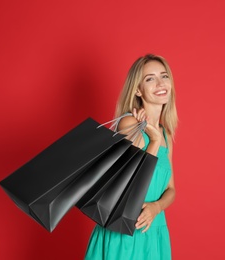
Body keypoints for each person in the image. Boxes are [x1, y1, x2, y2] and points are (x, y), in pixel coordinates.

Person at [85, 54, 178, 260]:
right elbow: (132, 184)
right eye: (150, 78)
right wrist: (152, 142)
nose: (160, 83)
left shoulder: (166, 135)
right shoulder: (128, 125)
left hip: (154, 229)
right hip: (125, 228)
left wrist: (156, 207)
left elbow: (171, 189)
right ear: (137, 90)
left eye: (164, 76)